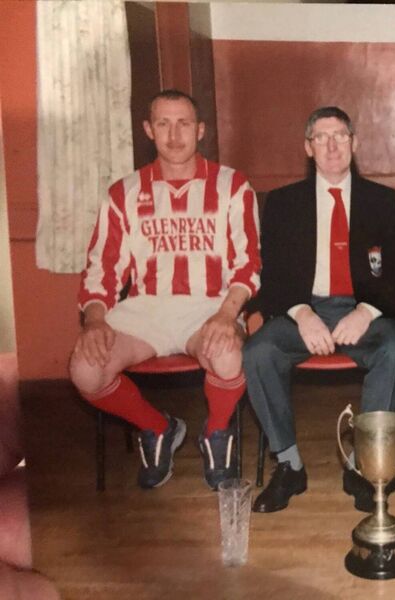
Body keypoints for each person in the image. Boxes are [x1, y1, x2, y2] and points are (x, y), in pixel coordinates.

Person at [69, 90, 260, 491]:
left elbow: (248, 263)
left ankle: (216, 432)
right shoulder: (123, 193)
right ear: (148, 130)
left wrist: (228, 315)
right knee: (85, 370)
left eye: (184, 124)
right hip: (144, 309)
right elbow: (102, 268)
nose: (174, 136)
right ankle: (158, 427)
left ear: (201, 130)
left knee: (228, 357)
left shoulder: (232, 185)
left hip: (209, 304)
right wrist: (94, 321)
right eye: (163, 124)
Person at [244, 106, 395, 514]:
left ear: (354, 144)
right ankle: (289, 466)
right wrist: (302, 314)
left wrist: (368, 311)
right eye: (322, 137)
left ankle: (364, 465)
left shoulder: (381, 200)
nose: (332, 145)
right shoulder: (284, 203)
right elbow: (275, 276)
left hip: (363, 310)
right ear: (308, 147)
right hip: (304, 308)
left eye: (340, 135)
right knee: (258, 352)